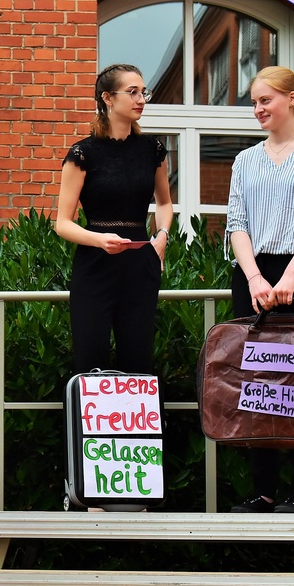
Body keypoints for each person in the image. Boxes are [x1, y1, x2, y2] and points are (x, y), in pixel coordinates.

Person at [226, 66, 294, 514]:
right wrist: (254, 277)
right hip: (251, 278)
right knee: (257, 383)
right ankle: (263, 491)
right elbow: (236, 224)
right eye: (253, 102)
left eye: (265, 100)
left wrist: (289, 277)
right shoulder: (244, 160)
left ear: (291, 99)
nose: (258, 109)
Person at [55, 63, 173, 374]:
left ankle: (137, 425)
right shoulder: (83, 153)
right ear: (107, 98)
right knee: (90, 358)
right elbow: (62, 223)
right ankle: (91, 424)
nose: (141, 99)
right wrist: (99, 240)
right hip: (95, 264)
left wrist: (162, 237)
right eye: (132, 92)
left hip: (140, 264)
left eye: (143, 92)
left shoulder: (152, 149)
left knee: (138, 359)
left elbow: (165, 204)